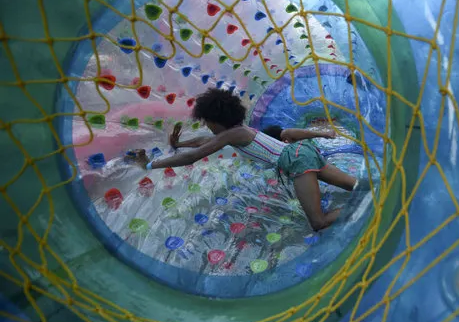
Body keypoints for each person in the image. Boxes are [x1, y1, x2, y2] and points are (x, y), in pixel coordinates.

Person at [132, 88, 358, 231]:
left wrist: (150, 165)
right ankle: (375, 193)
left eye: (207, 121)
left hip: (296, 161)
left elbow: (196, 155)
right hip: (303, 153)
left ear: (216, 119)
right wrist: (178, 144)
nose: (206, 126)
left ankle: (365, 209)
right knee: (356, 186)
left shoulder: (234, 134)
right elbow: (202, 141)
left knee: (318, 222)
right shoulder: (239, 131)